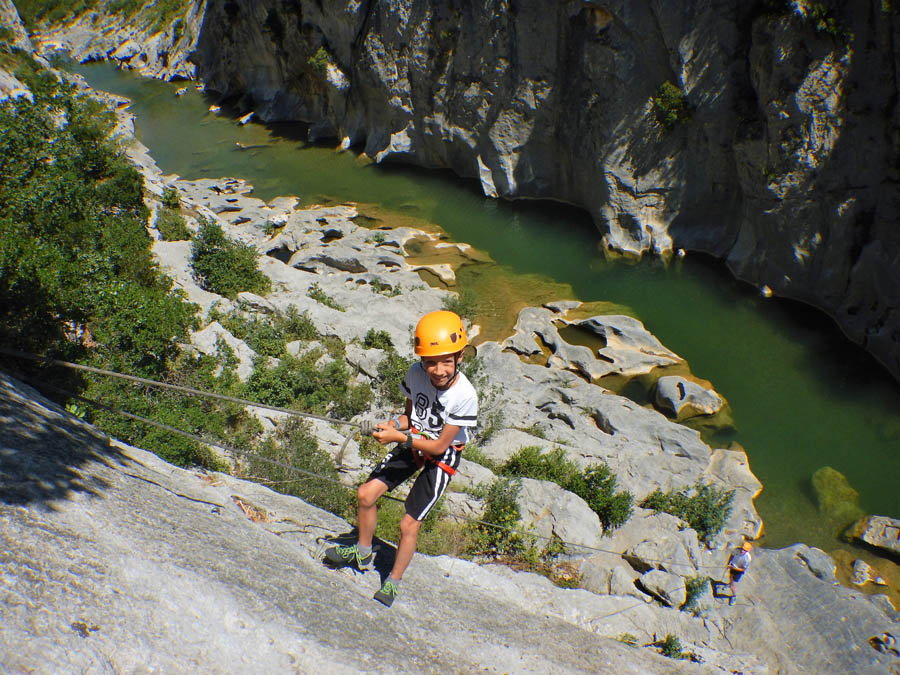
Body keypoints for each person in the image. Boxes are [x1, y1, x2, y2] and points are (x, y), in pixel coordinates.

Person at [324, 310, 478, 607]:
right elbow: (409, 416)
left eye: (447, 360)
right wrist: (394, 424)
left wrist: (399, 437)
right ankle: (363, 550)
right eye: (431, 362)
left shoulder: (465, 395)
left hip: (441, 456)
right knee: (366, 494)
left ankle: (393, 581)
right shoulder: (415, 374)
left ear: (460, 357)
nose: (439, 370)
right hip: (414, 439)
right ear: (422, 361)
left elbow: (438, 446)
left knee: (409, 525)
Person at [726, 541, 753, 605]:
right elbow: (732, 555)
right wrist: (728, 563)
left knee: (733, 586)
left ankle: (734, 596)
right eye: (742, 549)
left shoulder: (747, 558)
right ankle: (729, 584)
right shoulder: (736, 550)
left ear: (747, 551)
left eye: (744, 550)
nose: (742, 551)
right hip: (733, 566)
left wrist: (733, 568)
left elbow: (743, 569)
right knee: (730, 577)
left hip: (738, 571)